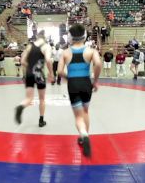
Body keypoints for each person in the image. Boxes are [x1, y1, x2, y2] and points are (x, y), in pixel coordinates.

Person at [57, 24, 102, 157]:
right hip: (86, 83)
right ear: (84, 36)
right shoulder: (91, 51)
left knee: (78, 116)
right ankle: (85, 136)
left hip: (73, 84)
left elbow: (59, 71)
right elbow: (98, 64)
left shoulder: (65, 53)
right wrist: (95, 81)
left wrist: (68, 77)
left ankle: (83, 134)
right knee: (86, 111)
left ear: (70, 37)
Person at [14, 30, 54, 128]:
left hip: (29, 74)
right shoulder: (46, 46)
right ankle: (41, 120)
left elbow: (22, 61)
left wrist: (30, 68)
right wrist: (51, 73)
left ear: (37, 37)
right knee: (42, 99)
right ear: (44, 38)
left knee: (29, 98)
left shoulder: (29, 46)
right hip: (39, 74)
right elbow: (48, 60)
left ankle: (21, 106)